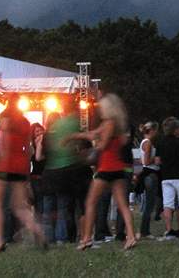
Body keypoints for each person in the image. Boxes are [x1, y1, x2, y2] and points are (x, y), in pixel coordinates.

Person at [73, 94, 136, 250]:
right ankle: (131, 236)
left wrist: (90, 150)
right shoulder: (119, 126)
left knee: (91, 202)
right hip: (118, 168)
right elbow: (93, 134)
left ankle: (87, 238)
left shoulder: (109, 123)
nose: (99, 109)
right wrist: (73, 136)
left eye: (101, 107)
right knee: (122, 205)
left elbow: (102, 144)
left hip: (106, 168)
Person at [0, 96, 46, 252]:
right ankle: (39, 232)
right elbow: (29, 149)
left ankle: (0, 241)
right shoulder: (25, 122)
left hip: (4, 165)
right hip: (20, 167)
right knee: (20, 207)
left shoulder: (5, 117)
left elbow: (2, 139)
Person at [41, 105, 90, 245]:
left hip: (48, 176)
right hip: (65, 175)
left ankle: (49, 238)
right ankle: (63, 237)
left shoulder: (45, 137)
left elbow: (39, 156)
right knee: (65, 208)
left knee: (48, 211)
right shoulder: (67, 134)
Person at [137, 121, 161, 239]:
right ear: (152, 130)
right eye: (156, 130)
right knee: (149, 204)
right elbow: (146, 161)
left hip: (149, 174)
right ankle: (144, 231)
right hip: (150, 173)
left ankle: (145, 230)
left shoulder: (145, 142)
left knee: (150, 204)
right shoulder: (148, 143)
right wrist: (156, 160)